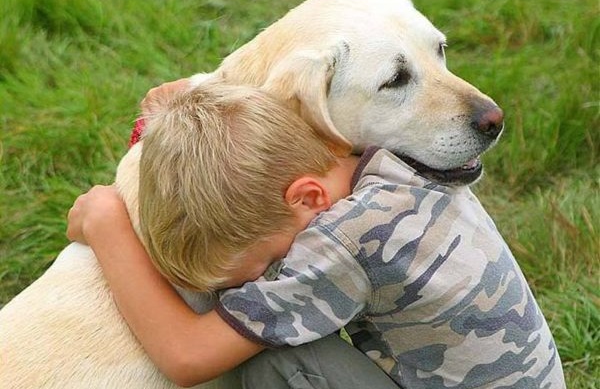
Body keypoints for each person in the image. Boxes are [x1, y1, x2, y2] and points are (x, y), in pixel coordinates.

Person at [67, 80, 565, 388]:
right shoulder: (386, 159)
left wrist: (107, 223)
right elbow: (257, 123)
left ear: (307, 199)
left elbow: (187, 357)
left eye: (265, 267)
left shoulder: (344, 244)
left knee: (274, 363)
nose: (261, 282)